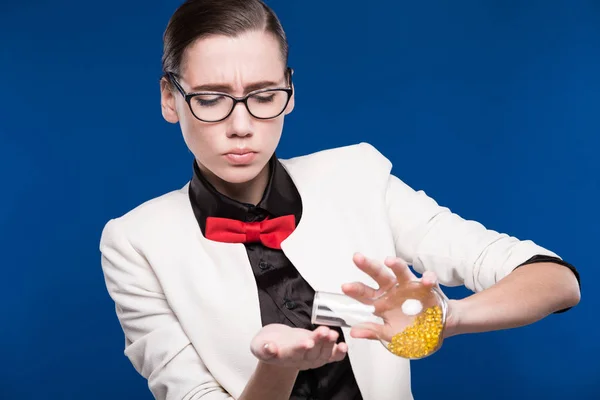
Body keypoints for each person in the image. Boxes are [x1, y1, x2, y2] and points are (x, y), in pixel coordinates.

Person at [98, 0, 581, 399]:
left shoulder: (357, 176)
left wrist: (447, 318)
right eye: (210, 98)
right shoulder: (136, 242)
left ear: (290, 90)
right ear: (169, 98)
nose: (241, 124)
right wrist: (278, 367)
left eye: (264, 95)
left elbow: (556, 280)